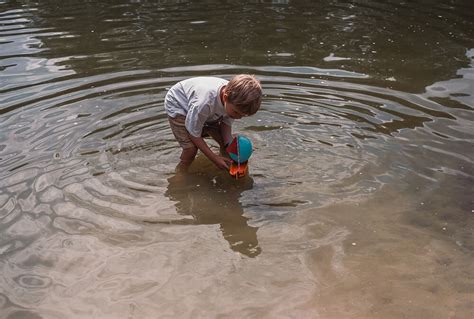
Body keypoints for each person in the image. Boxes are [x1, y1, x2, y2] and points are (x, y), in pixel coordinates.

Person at [165, 74, 262, 171]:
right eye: (236, 112)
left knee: (223, 141)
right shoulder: (204, 103)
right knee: (191, 149)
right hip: (178, 105)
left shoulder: (234, 101)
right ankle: (181, 172)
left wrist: (228, 145)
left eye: (242, 115)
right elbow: (193, 134)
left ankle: (224, 158)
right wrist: (214, 158)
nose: (238, 117)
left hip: (201, 108)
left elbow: (226, 123)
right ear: (225, 97)